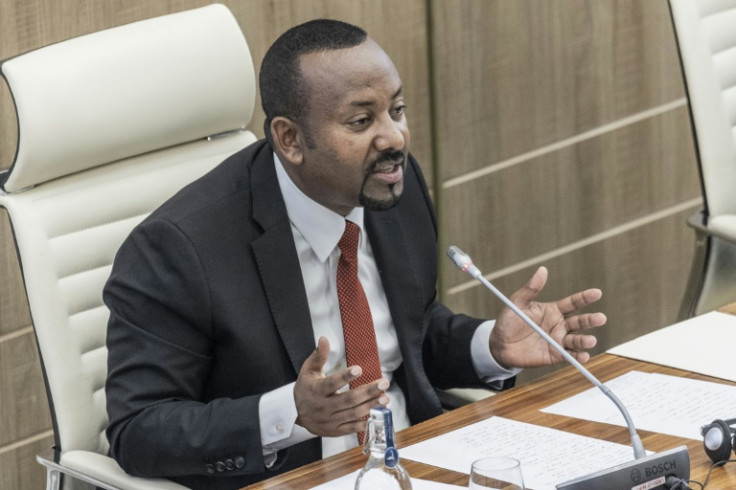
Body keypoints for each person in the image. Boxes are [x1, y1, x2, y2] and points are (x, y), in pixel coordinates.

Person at [103, 19, 606, 489]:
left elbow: (407, 332)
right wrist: (289, 413)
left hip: (419, 465)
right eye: (362, 120)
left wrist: (487, 347)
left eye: (398, 111)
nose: (395, 138)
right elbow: (139, 428)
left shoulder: (392, 186)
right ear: (290, 139)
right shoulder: (179, 248)